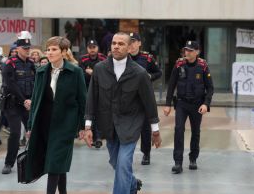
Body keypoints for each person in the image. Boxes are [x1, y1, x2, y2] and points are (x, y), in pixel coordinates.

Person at [83, 32, 162, 194]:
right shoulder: (100, 69)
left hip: (130, 125)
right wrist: (88, 126)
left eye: (121, 44)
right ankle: (132, 184)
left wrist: (155, 130)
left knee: (124, 162)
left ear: (129, 47)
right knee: (115, 162)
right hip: (109, 125)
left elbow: (149, 103)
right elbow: (92, 98)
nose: (116, 46)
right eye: (114, 43)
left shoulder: (139, 73)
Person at [25, 36, 86, 194]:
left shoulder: (76, 72)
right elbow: (36, 99)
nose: (49, 52)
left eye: (54, 49)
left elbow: (82, 101)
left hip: (66, 124)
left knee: (54, 163)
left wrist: (83, 126)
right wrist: (31, 125)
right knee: (58, 163)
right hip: (44, 124)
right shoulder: (41, 72)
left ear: (64, 52)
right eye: (48, 49)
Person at [164, 40, 214, 174]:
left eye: (191, 50)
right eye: (186, 50)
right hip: (181, 103)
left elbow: (210, 88)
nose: (188, 52)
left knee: (195, 132)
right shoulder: (179, 64)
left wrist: (206, 104)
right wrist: (168, 104)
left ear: (197, 52)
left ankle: (193, 159)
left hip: (197, 104)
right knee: (179, 130)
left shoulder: (203, 66)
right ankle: (178, 162)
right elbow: (171, 85)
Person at [1, 31, 35, 174]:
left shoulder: (32, 64)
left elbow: (36, 83)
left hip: (28, 103)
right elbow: (11, 84)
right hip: (13, 104)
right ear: (18, 49)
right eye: (25, 49)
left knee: (33, 131)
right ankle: (9, 163)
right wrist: (24, 100)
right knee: (15, 133)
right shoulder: (10, 64)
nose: (27, 51)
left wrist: (32, 99)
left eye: (28, 49)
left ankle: (33, 161)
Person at [128, 32, 162, 165]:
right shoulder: (124, 57)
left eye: (134, 41)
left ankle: (146, 153)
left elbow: (158, 72)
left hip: (144, 97)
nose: (131, 44)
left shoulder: (147, 58)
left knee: (145, 128)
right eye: (129, 41)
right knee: (128, 126)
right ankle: (127, 153)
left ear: (139, 43)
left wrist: (150, 77)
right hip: (128, 97)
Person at [78, 39, 106, 148]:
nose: (92, 49)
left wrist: (92, 72)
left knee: (98, 113)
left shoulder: (103, 58)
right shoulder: (82, 59)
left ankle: (98, 137)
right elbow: (80, 74)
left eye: (94, 47)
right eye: (90, 47)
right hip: (86, 89)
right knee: (90, 113)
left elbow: (105, 75)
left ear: (97, 48)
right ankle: (94, 137)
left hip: (100, 89)